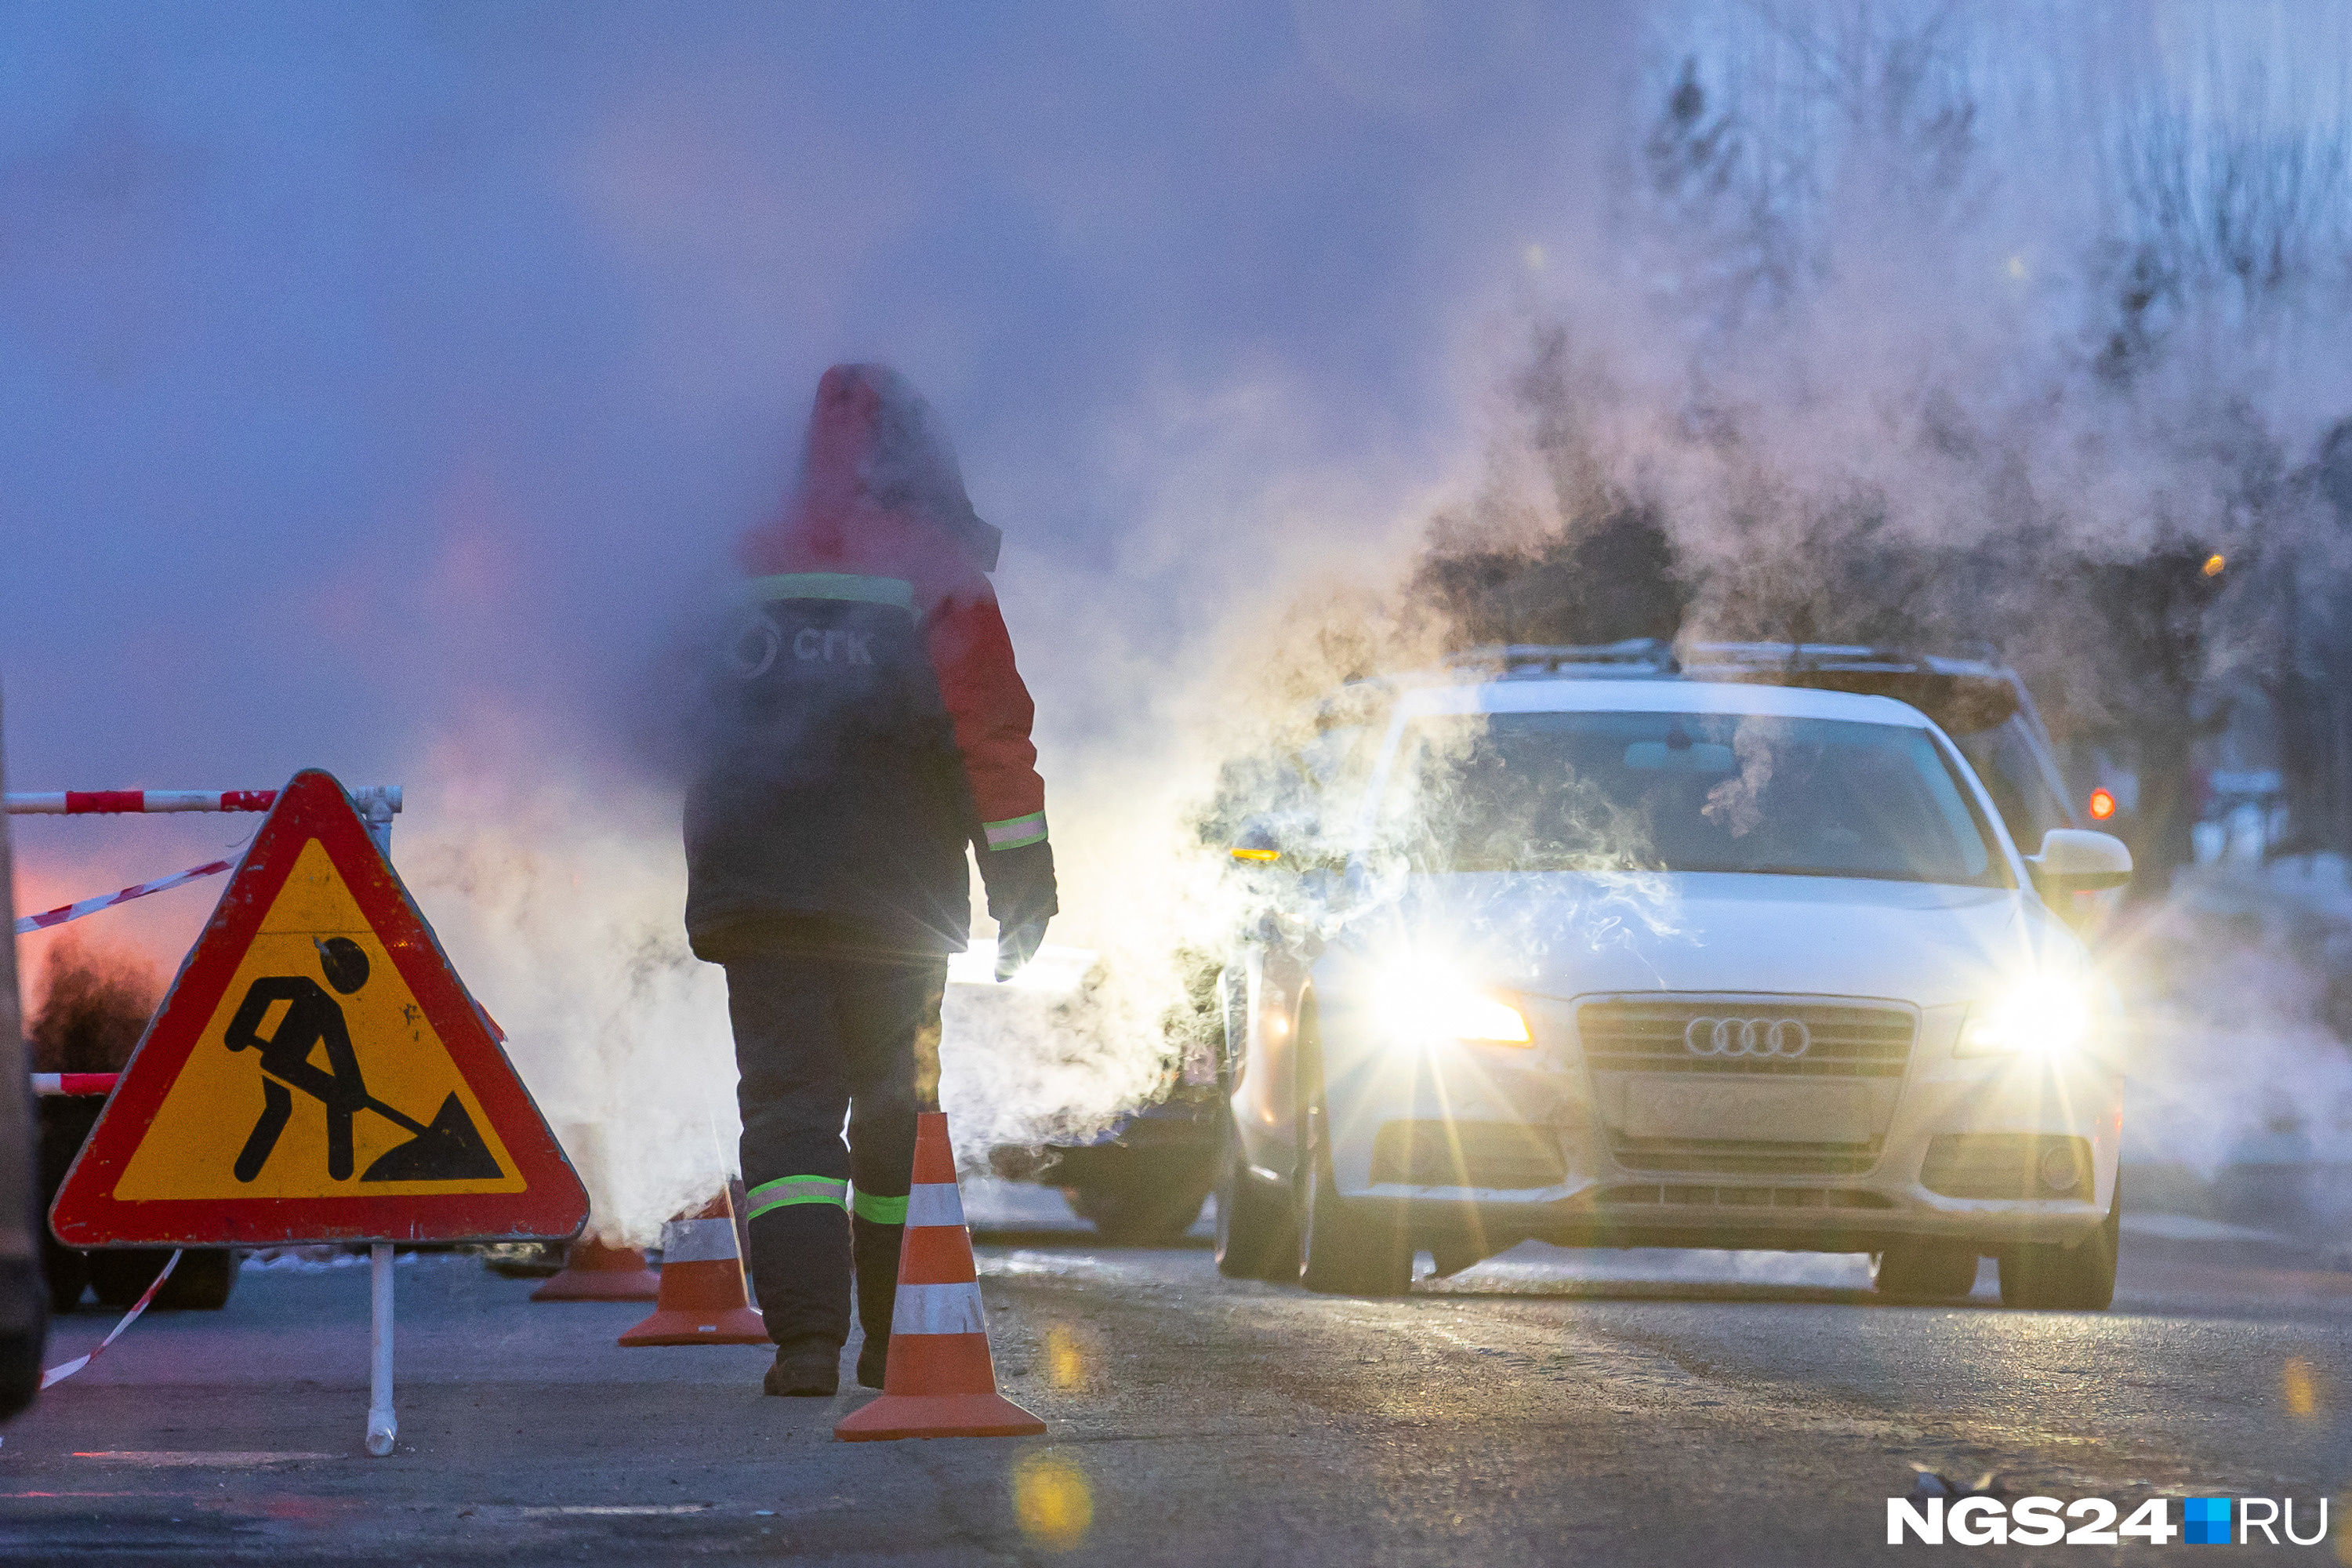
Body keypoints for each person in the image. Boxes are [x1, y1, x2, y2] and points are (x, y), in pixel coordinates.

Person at [684, 363, 1055, 1397]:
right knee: (898, 1109)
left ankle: (805, 1346)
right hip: (898, 904)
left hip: (759, 893)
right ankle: (901, 1342)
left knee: (790, 1115)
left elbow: (663, 710)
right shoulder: (936, 572)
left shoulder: (728, 562)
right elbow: (992, 740)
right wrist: (1022, 883)